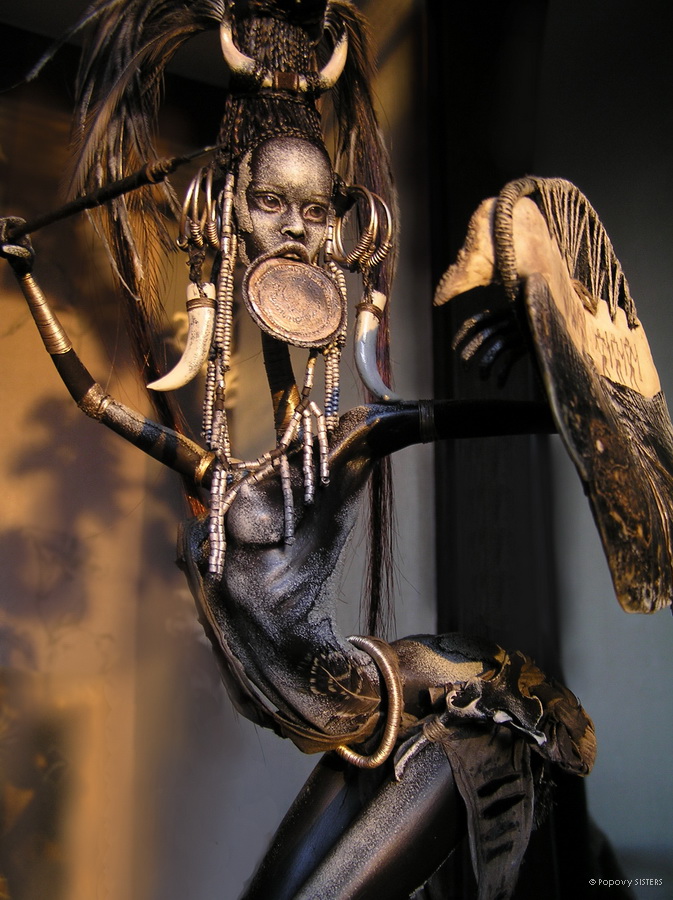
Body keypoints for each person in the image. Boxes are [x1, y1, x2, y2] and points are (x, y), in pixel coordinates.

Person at [0, 2, 595, 897]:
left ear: (340, 227)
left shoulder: (349, 440)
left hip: (461, 704)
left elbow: (491, 420)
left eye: (315, 211)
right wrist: (26, 272)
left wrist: (548, 368)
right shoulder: (211, 471)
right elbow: (93, 400)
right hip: (360, 723)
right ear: (228, 207)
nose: (291, 232)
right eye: (269, 202)